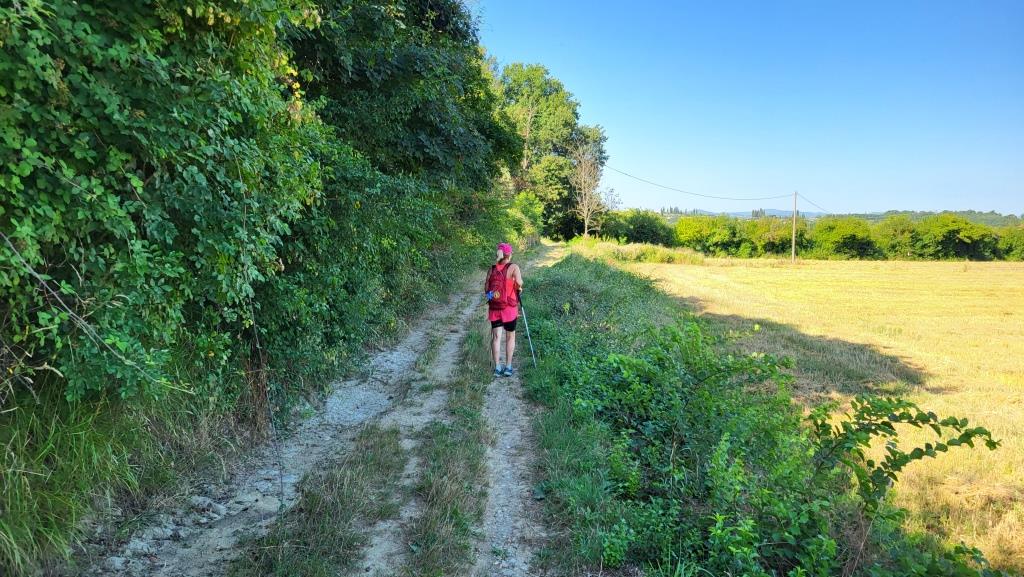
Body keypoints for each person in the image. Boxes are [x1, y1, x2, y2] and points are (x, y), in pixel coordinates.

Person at [485, 242, 523, 377]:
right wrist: (517, 287)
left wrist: (494, 297)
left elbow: (486, 290)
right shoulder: (513, 267)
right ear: (509, 254)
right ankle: (508, 367)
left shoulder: (492, 269)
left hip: (495, 308)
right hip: (509, 309)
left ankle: (497, 368)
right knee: (510, 336)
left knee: (496, 337)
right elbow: (519, 283)